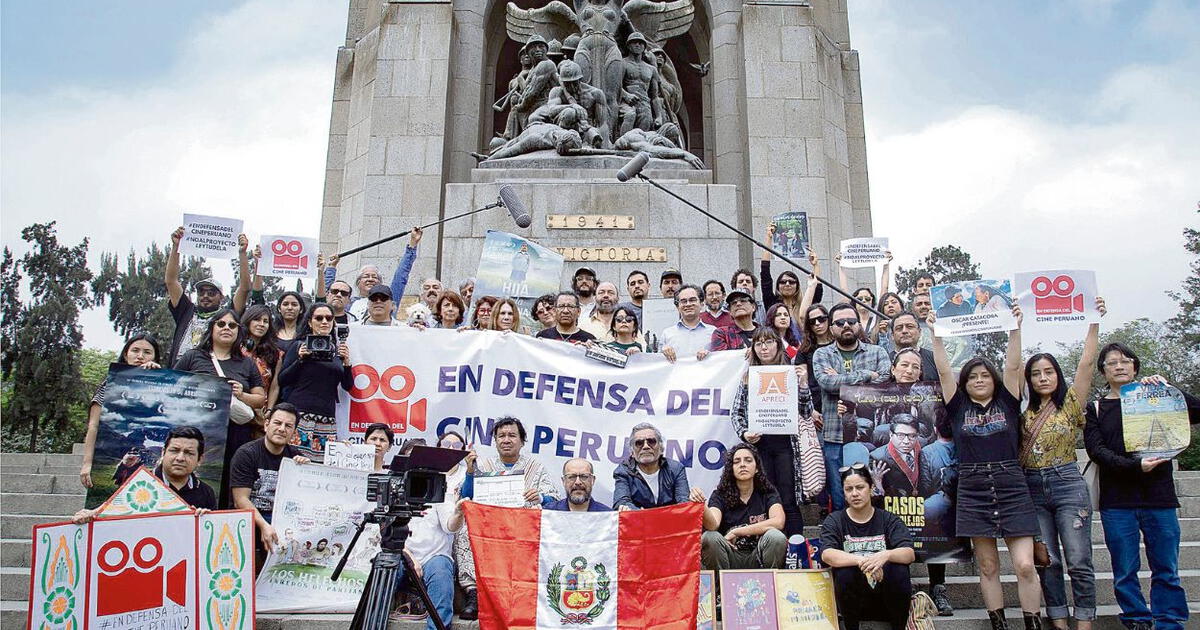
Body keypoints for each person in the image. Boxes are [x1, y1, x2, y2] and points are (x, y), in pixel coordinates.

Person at [929, 305, 1043, 630]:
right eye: (973, 377)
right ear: (965, 383)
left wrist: (1015, 328)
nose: (980, 380)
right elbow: (944, 370)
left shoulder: (1007, 401)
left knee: (1023, 564)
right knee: (989, 565)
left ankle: (1032, 623)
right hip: (974, 487)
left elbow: (1013, 364)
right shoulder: (957, 405)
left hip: (1010, 483)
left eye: (985, 376)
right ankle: (999, 625)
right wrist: (936, 333)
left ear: (994, 380)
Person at [1085, 343, 1199, 630]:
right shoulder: (1096, 409)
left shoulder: (1157, 397)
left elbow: (1197, 410)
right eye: (1112, 363)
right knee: (1124, 569)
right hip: (1117, 501)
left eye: (1125, 361)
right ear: (1103, 371)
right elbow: (1097, 451)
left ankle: (1169, 619)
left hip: (1159, 497)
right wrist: (1135, 466)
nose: (1119, 366)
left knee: (1166, 567)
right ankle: (1136, 618)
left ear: (1135, 366)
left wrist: (1169, 389)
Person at [1018, 297, 1107, 630]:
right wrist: (1017, 325)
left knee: (1079, 560)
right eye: (1036, 373)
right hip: (1031, 486)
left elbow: (1086, 364)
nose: (1043, 377)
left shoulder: (1070, 402)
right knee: (1048, 561)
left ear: (1057, 375)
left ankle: (1084, 621)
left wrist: (1094, 320)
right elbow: (1011, 367)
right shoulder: (1021, 409)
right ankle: (1057, 620)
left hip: (1067, 483)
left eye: (1049, 371)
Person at [174, 308, 267, 506]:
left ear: (238, 331)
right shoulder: (193, 356)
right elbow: (173, 386)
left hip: (236, 433)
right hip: (199, 431)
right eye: (221, 324)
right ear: (212, 327)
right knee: (198, 480)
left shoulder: (247, 364)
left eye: (232, 325)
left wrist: (241, 394)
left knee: (229, 485)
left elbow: (260, 399)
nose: (227, 328)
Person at [730, 328, 814, 536]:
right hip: (759, 448)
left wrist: (803, 384)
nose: (764, 348)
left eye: (768, 342)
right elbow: (736, 413)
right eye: (759, 344)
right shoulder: (749, 376)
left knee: (788, 500)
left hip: (787, 447)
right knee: (765, 499)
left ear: (778, 345)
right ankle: (770, 549)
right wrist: (745, 433)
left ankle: (796, 552)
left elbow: (806, 412)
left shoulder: (791, 373)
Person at [813, 302, 890, 510]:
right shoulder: (822, 354)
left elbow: (883, 386)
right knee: (840, 496)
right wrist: (866, 375)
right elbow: (827, 383)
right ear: (831, 328)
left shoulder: (878, 352)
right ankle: (843, 540)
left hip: (867, 436)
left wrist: (841, 380)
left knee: (871, 492)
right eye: (840, 322)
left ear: (859, 325)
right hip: (834, 437)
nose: (846, 325)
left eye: (851, 321)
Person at [820, 465, 915, 630]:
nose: (855, 493)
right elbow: (827, 554)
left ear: (871, 488)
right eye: (849, 489)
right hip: (852, 602)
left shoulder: (888, 519)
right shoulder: (835, 520)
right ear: (844, 493)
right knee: (844, 571)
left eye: (860, 487)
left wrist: (885, 556)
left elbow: (909, 554)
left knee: (898, 568)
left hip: (886, 599)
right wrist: (864, 562)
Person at [391, 439, 467, 630]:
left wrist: (458, 513)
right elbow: (386, 532)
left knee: (441, 572)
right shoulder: (393, 488)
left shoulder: (437, 485)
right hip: (401, 554)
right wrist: (409, 558)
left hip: (435, 557)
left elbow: (450, 526)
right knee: (384, 571)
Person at [74, 426, 218, 523]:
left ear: (199, 459)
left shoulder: (206, 492)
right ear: (163, 453)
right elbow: (110, 513)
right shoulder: (138, 483)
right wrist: (90, 516)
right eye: (174, 450)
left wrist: (207, 521)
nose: (180, 458)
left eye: (189, 453)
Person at [79, 333, 164, 488]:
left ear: (155, 357)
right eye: (135, 350)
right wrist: (87, 463)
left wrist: (158, 377)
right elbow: (94, 426)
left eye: (147, 352)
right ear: (126, 354)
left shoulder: (163, 386)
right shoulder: (110, 385)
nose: (140, 356)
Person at [275, 303, 354, 463]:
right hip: (300, 415)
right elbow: (283, 379)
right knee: (293, 462)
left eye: (329, 318)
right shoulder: (299, 346)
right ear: (310, 322)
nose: (324, 322)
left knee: (319, 466)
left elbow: (347, 386)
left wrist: (347, 363)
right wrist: (300, 360)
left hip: (327, 419)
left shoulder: (337, 350)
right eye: (319, 318)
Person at [230, 403, 310, 562]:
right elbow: (240, 500)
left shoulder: (295, 457)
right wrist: (264, 525)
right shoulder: (246, 454)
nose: (282, 429)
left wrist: (305, 471)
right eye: (277, 423)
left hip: (282, 519)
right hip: (249, 519)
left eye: (288, 426)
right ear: (266, 425)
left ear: (294, 433)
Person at [164, 227, 250, 365]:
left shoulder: (227, 316)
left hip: (210, 371)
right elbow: (171, 281)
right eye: (201, 292)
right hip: (180, 369)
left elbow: (245, 288)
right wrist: (176, 247)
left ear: (221, 297)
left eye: (211, 293)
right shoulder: (186, 311)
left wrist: (242, 253)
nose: (205, 296)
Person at [701, 443, 787, 570]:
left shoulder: (767, 492)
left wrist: (737, 531)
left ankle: (770, 586)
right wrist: (701, 505)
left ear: (757, 467)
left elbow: (779, 522)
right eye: (737, 461)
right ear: (731, 468)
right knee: (709, 537)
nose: (742, 464)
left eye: (748, 460)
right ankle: (719, 588)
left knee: (776, 536)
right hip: (729, 557)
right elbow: (713, 525)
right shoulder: (719, 494)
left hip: (758, 556)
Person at [324, 227, 423, 321]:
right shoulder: (348, 302)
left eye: (375, 277)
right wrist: (331, 267)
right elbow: (330, 292)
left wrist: (412, 245)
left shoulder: (387, 300)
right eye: (366, 276)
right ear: (358, 282)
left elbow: (400, 278)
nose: (370, 279)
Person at [460, 417, 559, 507]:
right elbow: (465, 498)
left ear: (522, 441)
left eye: (512, 435)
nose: (506, 440)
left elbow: (555, 501)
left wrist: (541, 498)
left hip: (525, 524)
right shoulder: (482, 467)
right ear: (496, 441)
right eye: (501, 436)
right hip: (489, 524)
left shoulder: (536, 468)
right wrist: (470, 472)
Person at [612, 422, 704, 510]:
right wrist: (646, 516)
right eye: (639, 443)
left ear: (661, 449)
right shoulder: (623, 471)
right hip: (638, 523)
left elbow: (684, 503)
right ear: (632, 452)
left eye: (651, 441)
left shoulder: (676, 469)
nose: (646, 446)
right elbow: (621, 503)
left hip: (670, 522)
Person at [241, 305, 284, 428]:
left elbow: (275, 385)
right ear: (248, 321)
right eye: (257, 320)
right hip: (237, 407)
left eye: (266, 321)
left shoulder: (275, 353)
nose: (261, 324)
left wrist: (270, 410)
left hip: (260, 413)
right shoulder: (235, 348)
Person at [660, 284, 713, 362]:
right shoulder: (667, 334)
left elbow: (720, 361)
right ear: (678, 307)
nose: (688, 304)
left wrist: (711, 355)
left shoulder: (713, 332)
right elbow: (658, 364)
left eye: (692, 300)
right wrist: (662, 352)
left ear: (702, 303)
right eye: (683, 301)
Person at [887, 311, 938, 381]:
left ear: (919, 332)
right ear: (892, 335)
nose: (904, 331)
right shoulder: (885, 361)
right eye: (899, 328)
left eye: (910, 327)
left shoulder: (934, 358)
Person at [546, 459, 612, 511]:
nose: (578, 482)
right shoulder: (547, 515)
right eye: (572, 476)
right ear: (564, 481)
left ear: (593, 480)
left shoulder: (609, 517)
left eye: (584, 476)